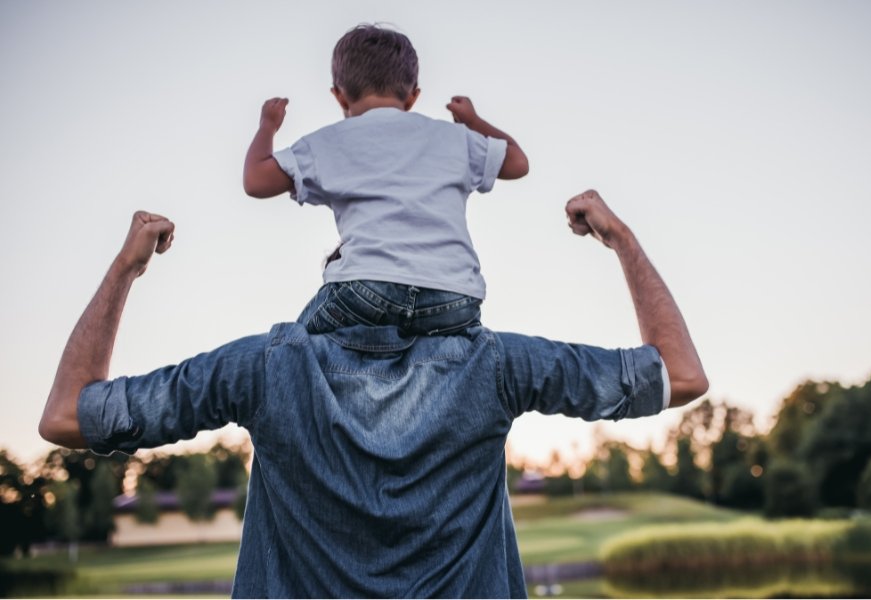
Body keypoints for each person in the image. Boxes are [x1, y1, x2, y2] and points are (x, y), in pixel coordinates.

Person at [39, 190, 708, 598]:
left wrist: (126, 268)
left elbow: (68, 414)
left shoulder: (264, 368)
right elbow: (681, 375)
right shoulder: (496, 365)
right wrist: (619, 237)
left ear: (332, 278)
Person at [242, 24, 529, 336]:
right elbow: (518, 162)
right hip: (455, 298)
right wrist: (473, 121)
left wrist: (267, 125)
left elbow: (256, 180)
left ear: (339, 96)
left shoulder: (329, 142)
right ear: (413, 96)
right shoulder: (453, 138)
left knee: (293, 347)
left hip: (367, 291)